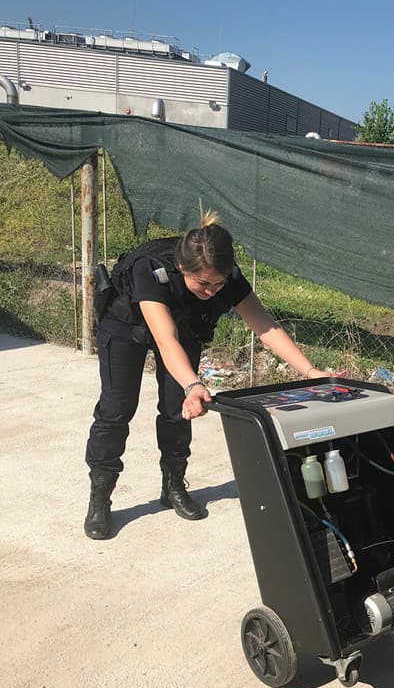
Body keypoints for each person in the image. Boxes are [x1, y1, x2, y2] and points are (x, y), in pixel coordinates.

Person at [84, 209, 333, 540]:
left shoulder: (224, 275)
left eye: (219, 284)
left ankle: (173, 486)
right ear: (182, 267)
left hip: (183, 325)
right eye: (203, 284)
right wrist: (194, 383)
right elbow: (165, 339)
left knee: (177, 409)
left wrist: (310, 370)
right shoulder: (152, 270)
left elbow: (265, 326)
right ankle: (100, 498)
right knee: (116, 409)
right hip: (125, 326)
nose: (213, 291)